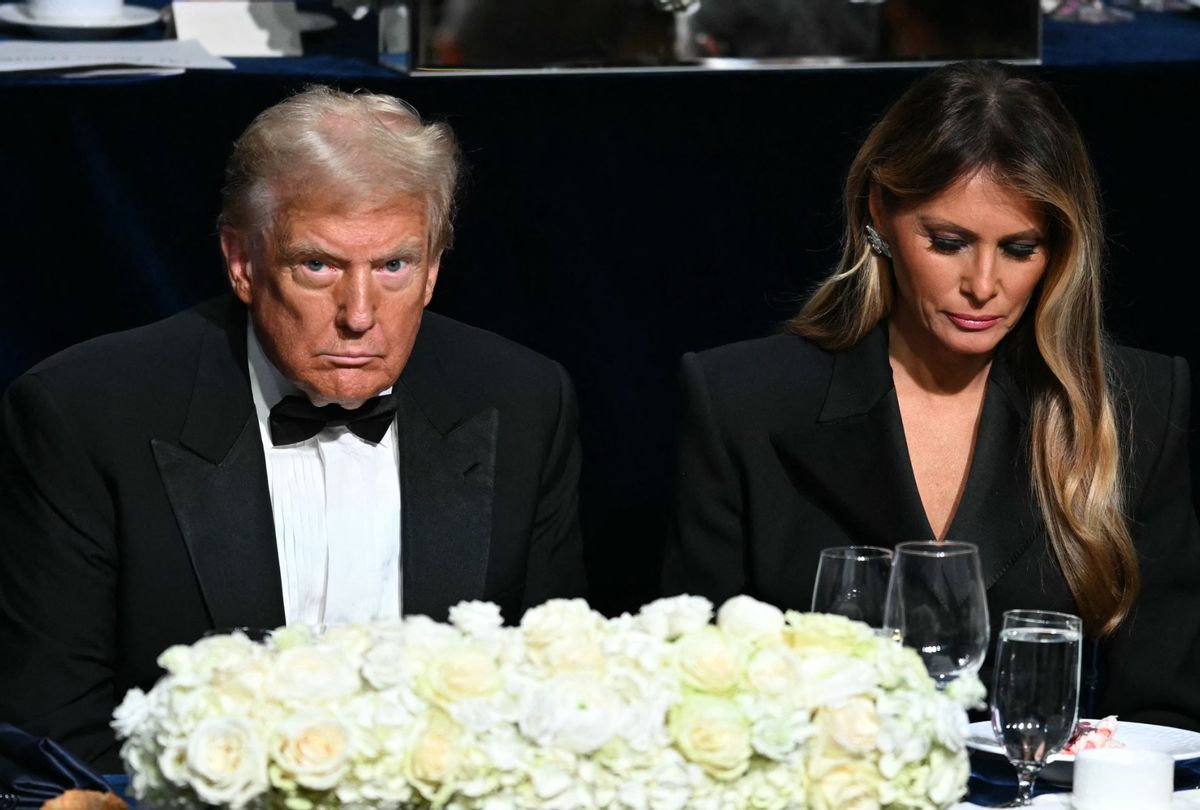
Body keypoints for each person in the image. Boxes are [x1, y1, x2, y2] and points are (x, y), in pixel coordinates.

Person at [0, 86, 586, 771]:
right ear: (243, 262)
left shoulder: (522, 401)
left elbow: (556, 702)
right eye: (318, 265)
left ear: (432, 270)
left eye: (393, 266)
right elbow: (54, 738)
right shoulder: (85, 413)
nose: (359, 315)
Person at [662, 60, 1200, 729]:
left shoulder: (1136, 405)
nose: (983, 284)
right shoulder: (742, 401)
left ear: (1060, 250)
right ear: (879, 214)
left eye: (1020, 248)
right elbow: (695, 698)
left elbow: (1162, 717)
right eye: (948, 242)